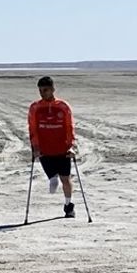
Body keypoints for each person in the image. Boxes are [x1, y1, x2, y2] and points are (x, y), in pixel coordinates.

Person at [28, 76, 77, 218]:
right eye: (40, 90)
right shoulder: (35, 107)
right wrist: (35, 147)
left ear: (52, 89)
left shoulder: (62, 106)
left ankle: (68, 206)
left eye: (46, 90)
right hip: (44, 148)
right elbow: (32, 128)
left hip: (62, 148)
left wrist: (71, 146)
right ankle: (52, 178)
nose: (42, 93)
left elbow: (70, 127)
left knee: (66, 179)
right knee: (53, 177)